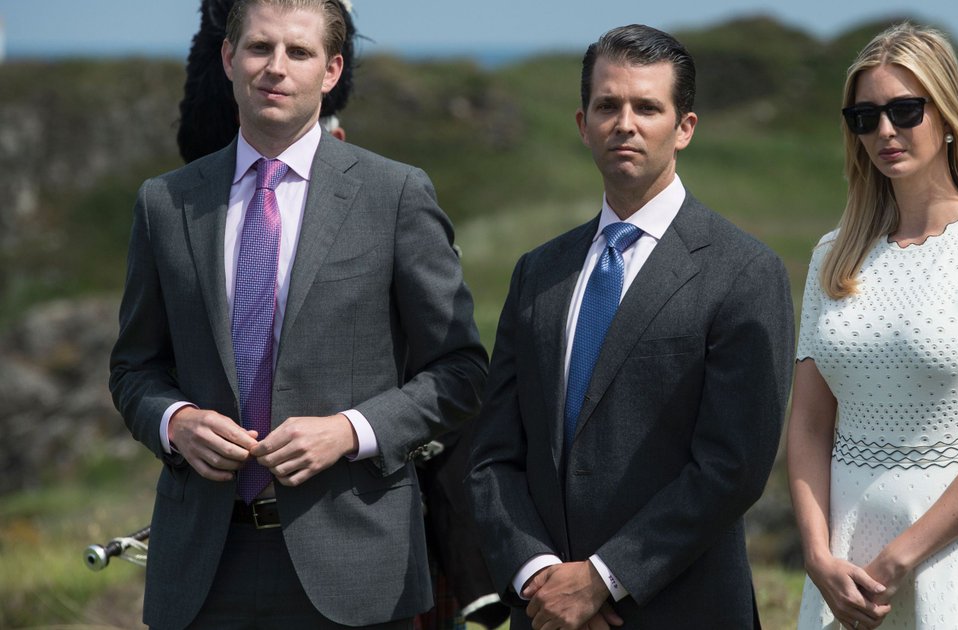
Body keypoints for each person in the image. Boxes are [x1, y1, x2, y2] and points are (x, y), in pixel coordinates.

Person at [108, 0, 488, 627]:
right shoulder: (164, 204)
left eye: (300, 52)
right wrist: (175, 422)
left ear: (332, 70)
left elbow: (461, 372)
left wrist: (349, 431)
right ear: (228, 58)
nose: (276, 67)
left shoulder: (395, 194)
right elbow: (133, 370)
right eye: (259, 47)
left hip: (358, 567)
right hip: (201, 569)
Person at [466, 24, 794, 630]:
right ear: (582, 123)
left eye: (647, 107)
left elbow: (733, 467)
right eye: (607, 106)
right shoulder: (537, 272)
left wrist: (601, 580)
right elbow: (493, 455)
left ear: (684, 127)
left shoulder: (745, 271)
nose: (625, 124)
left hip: (683, 611)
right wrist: (540, 577)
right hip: (545, 612)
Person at [787, 22, 958, 629]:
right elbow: (807, 424)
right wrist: (817, 556)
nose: (885, 130)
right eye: (865, 117)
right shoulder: (832, 256)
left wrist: (898, 559)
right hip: (844, 563)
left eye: (905, 110)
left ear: (947, 115)